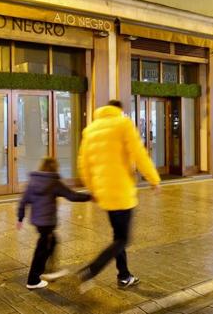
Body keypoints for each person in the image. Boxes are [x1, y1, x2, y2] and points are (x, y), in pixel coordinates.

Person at [77, 99, 160, 292]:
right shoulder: (123, 124)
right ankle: (92, 269)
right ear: (119, 110)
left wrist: (93, 189)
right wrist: (154, 179)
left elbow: (83, 164)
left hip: (105, 194)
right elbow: (139, 154)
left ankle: (124, 276)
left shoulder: (90, 130)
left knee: (118, 237)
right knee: (123, 239)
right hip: (122, 192)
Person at [17, 157, 92, 290]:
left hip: (38, 222)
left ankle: (49, 270)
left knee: (52, 241)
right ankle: (33, 280)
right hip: (47, 222)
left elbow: (23, 201)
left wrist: (20, 218)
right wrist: (90, 196)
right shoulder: (54, 182)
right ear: (54, 168)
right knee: (42, 249)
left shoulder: (33, 181)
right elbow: (72, 196)